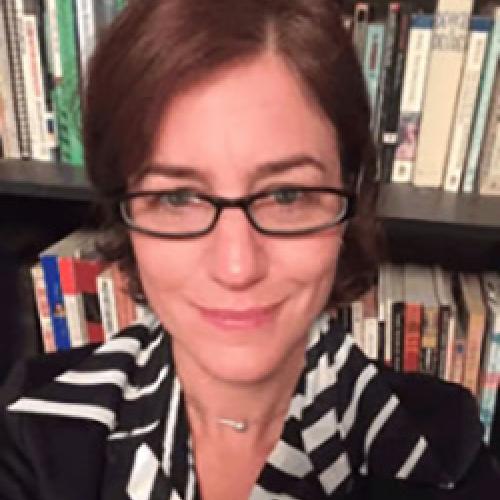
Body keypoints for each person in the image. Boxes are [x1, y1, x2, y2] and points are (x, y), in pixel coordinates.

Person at [1, 1, 499, 499]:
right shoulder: (35, 423)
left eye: (286, 195)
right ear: (124, 210)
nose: (237, 266)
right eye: (177, 198)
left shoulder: (439, 449)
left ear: (351, 195)